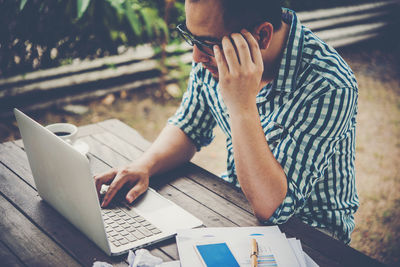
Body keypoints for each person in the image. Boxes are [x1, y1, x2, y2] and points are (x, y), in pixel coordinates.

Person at [94, 0, 359, 244]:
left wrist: (242, 105)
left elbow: (272, 207)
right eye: (192, 38)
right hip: (236, 203)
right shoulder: (215, 53)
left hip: (313, 235)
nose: (196, 57)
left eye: (206, 43)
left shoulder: (330, 85)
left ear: (262, 35)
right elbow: (189, 125)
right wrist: (144, 165)